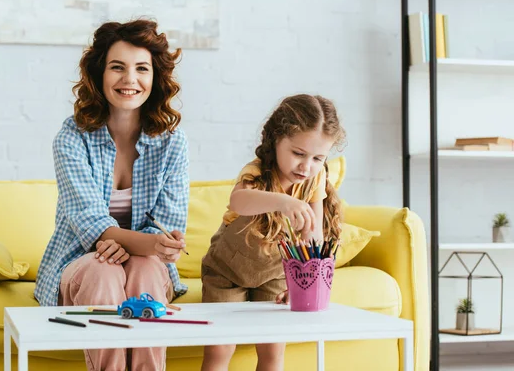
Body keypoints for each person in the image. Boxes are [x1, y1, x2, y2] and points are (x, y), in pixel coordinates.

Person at [35, 19, 189, 371]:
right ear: (99, 74)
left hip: (145, 266)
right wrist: (149, 244)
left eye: (141, 69)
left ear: (156, 78)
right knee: (104, 271)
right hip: (82, 263)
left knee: (147, 268)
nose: (129, 80)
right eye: (117, 67)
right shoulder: (71, 138)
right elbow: (92, 225)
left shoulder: (173, 144)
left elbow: (166, 224)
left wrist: (147, 246)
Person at [200, 94, 346, 371]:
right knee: (220, 349)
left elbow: (311, 235)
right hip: (226, 274)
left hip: (275, 275)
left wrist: (301, 282)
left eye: (318, 158)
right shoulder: (256, 171)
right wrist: (283, 201)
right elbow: (239, 202)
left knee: (273, 350)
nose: (306, 167)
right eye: (298, 154)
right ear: (276, 140)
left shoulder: (316, 178)